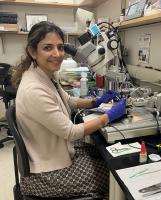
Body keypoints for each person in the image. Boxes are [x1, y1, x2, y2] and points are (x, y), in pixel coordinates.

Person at [11, 21, 126, 199]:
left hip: (52, 153)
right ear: (33, 52)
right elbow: (71, 132)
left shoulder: (42, 74)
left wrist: (96, 102)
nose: (57, 54)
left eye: (59, 47)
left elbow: (69, 100)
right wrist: (109, 116)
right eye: (48, 48)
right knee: (117, 172)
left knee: (108, 153)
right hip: (46, 175)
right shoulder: (33, 89)